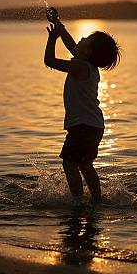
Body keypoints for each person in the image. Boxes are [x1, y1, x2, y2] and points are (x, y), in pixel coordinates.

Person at [44, 11, 121, 205]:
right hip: (94, 126)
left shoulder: (80, 67)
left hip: (83, 126)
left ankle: (77, 202)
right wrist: (59, 25)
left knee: (69, 163)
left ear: (88, 53)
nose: (82, 38)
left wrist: (52, 38)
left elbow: (49, 61)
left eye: (85, 39)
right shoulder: (87, 65)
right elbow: (72, 46)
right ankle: (97, 200)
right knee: (85, 165)